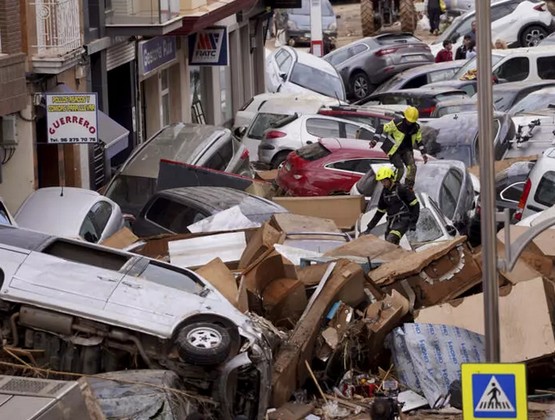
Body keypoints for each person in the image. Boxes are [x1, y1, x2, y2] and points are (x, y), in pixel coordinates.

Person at [370, 106, 428, 189]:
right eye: (408, 121)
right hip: (394, 150)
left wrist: (424, 154)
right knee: (400, 168)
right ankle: (394, 185)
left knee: (412, 167)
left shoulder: (416, 128)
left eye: (412, 121)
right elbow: (381, 127)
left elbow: (419, 141)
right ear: (405, 117)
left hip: (406, 150)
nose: (410, 123)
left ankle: (409, 187)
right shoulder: (396, 124)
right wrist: (375, 140)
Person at [361, 165, 420, 245]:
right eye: (381, 181)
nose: (383, 183)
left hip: (403, 221)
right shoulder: (384, 193)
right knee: (389, 245)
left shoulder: (402, 189)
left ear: (390, 179)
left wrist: (413, 222)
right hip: (391, 222)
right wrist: (369, 228)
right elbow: (380, 212)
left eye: (384, 181)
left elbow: (415, 205)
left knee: (390, 239)